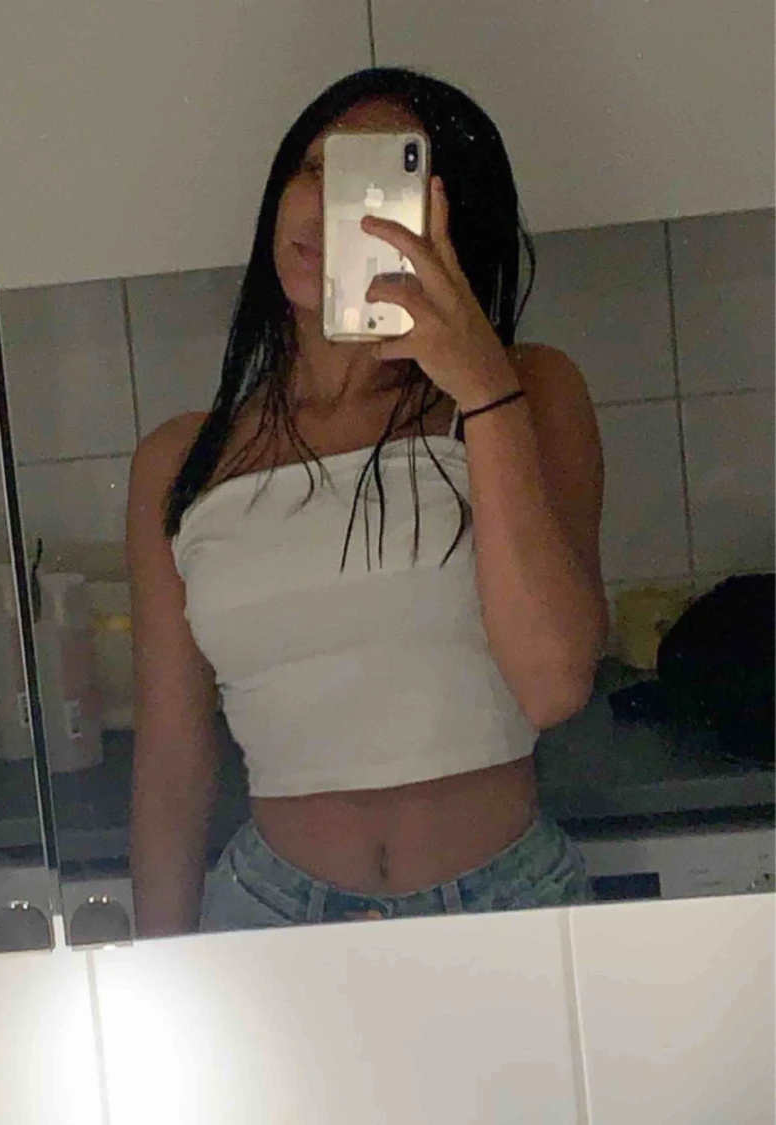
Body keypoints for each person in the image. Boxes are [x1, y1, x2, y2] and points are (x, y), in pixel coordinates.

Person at [126, 67, 607, 937]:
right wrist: (156, 975)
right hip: (268, 914)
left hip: (506, 906)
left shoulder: (529, 391)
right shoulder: (180, 459)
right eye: (311, 168)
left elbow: (553, 683)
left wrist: (481, 385)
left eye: (371, 181)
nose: (324, 204)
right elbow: (171, 762)